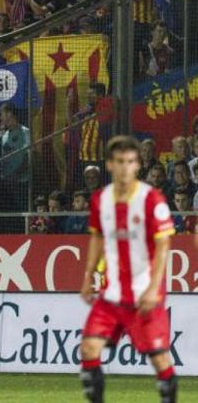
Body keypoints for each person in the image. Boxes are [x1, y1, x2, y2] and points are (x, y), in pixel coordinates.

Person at [78, 135, 176, 403]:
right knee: (88, 349)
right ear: (109, 164)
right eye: (119, 161)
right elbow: (97, 237)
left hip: (144, 293)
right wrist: (89, 277)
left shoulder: (152, 199)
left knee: (159, 359)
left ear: (137, 165)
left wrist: (154, 289)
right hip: (111, 294)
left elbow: (163, 246)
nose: (125, 167)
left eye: (131, 162)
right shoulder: (101, 199)